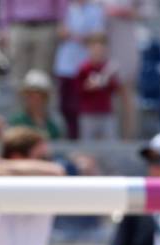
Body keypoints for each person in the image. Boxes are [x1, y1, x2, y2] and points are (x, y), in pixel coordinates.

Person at [101, 0, 156, 139]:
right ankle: (109, 137)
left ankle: (128, 137)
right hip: (102, 42)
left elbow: (148, 10)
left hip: (126, 42)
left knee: (126, 91)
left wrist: (125, 12)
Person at [54, 0, 105, 140]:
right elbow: (60, 31)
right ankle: (70, 135)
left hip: (85, 63)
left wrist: (77, 35)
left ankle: (80, 137)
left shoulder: (95, 10)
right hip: (66, 65)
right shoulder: (65, 8)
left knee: (81, 105)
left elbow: (97, 35)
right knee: (66, 105)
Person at [0, 0, 68, 86]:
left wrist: (63, 22)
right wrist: (3, 28)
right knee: (18, 73)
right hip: (19, 26)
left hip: (46, 27)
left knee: (44, 75)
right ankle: (19, 99)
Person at [75, 33, 122, 141]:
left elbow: (115, 88)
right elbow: (79, 90)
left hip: (106, 113)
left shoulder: (109, 68)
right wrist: (89, 86)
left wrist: (107, 81)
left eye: (101, 50)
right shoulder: (84, 68)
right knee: (87, 145)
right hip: (88, 114)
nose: (98, 53)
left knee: (110, 143)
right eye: (95, 49)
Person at [9, 69, 63, 140]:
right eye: (28, 95)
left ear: (45, 97)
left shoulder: (55, 123)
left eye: (36, 95)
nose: (31, 99)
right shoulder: (17, 122)